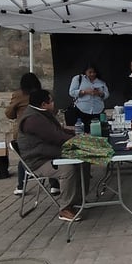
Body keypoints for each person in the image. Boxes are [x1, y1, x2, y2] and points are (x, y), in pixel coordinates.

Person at [17, 89, 86, 222]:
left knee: (83, 160)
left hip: (49, 154)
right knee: (68, 169)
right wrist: (77, 140)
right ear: (44, 104)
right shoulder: (33, 120)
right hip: (38, 161)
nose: (54, 103)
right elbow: (56, 137)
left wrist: (76, 135)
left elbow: (58, 131)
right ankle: (65, 208)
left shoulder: (42, 114)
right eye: (52, 101)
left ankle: (78, 199)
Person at [5, 72, 56, 196]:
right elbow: (54, 110)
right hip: (45, 129)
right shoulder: (45, 94)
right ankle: (54, 185)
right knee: (50, 154)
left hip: (23, 132)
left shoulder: (18, 95)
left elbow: (9, 113)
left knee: (25, 158)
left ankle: (21, 186)